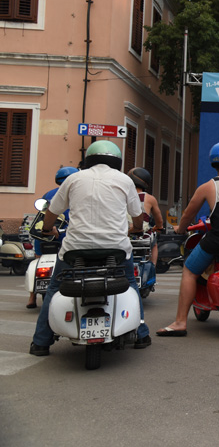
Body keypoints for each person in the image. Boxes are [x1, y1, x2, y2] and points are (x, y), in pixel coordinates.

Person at [29, 141, 151, 355]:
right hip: (116, 249)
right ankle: (141, 334)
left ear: (89, 159)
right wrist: (137, 229)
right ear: (117, 161)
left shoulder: (73, 178)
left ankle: (40, 342)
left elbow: (52, 211)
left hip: (74, 249)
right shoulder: (124, 180)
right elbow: (137, 214)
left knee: (54, 288)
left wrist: (48, 229)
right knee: (131, 284)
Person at [156, 141, 219, 337]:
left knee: (189, 270)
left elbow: (188, 214)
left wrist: (180, 229)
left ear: (214, 162)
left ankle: (180, 322)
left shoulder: (207, 187)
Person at [26, 166, 78, 309]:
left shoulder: (48, 194)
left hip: (45, 235)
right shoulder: (76, 194)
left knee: (37, 260)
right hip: (66, 235)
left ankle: (32, 297)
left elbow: (42, 214)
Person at [127, 167, 164, 268]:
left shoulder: (124, 195)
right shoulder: (149, 198)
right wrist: (159, 226)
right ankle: (152, 266)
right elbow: (159, 219)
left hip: (125, 234)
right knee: (154, 243)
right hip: (142, 236)